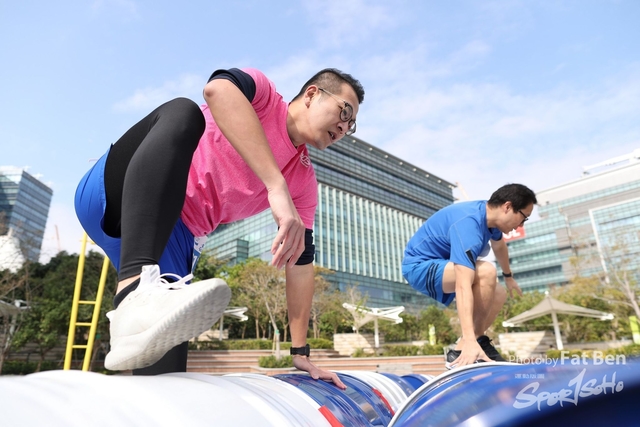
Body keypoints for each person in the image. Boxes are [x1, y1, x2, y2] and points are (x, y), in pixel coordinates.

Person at [75, 67, 365, 387]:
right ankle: (132, 290)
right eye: (344, 111)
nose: (344, 126)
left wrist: (300, 351)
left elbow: (301, 263)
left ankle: (137, 307)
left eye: (351, 124)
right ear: (312, 95)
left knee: (166, 381)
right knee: (183, 112)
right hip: (117, 192)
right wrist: (275, 185)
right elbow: (217, 90)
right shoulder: (263, 96)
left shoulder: (304, 182)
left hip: (173, 244)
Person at [402, 183, 537, 368]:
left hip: (442, 266)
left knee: (499, 292)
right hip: (419, 267)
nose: (521, 225)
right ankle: (472, 343)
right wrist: (470, 338)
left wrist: (508, 276)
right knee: (486, 271)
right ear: (507, 207)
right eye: (523, 218)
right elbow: (463, 285)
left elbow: (499, 246)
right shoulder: (469, 224)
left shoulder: (491, 218)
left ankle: (460, 350)